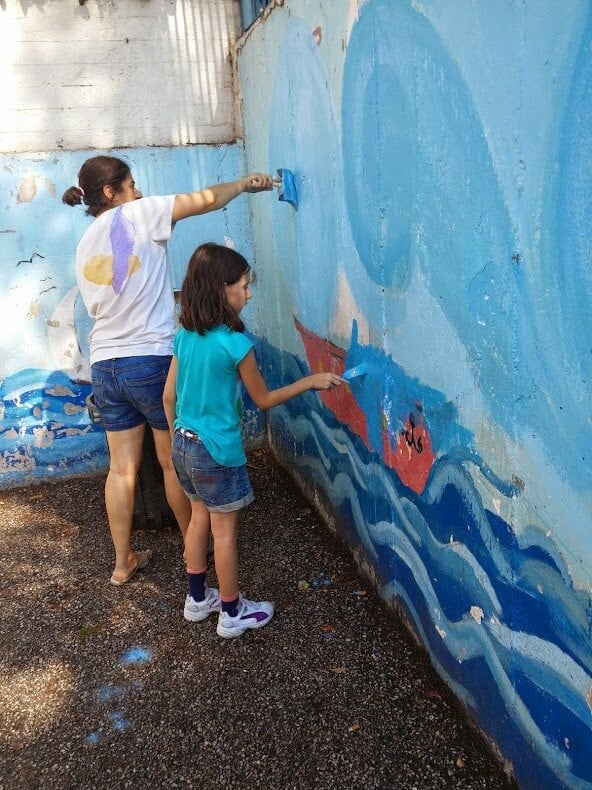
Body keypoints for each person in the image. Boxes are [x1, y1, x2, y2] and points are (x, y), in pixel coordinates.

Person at [62, 156, 273, 586]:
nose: (138, 192)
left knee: (121, 470)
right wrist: (243, 185)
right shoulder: (137, 214)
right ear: (111, 192)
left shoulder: (85, 241)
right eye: (132, 184)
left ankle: (122, 564)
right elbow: (205, 200)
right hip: (150, 357)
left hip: (105, 363)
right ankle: (192, 548)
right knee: (170, 463)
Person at [162, 242, 344, 638]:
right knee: (224, 533)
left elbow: (167, 396)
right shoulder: (236, 344)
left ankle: (197, 600)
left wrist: (178, 433)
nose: (248, 293)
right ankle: (231, 613)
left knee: (198, 520)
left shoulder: (184, 337)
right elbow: (262, 400)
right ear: (221, 289)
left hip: (183, 443)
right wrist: (310, 382)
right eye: (243, 285)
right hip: (216, 450)